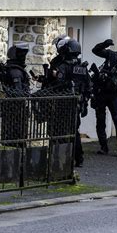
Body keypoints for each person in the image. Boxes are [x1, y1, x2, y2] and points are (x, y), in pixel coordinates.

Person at [46, 38, 91, 167]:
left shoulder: (63, 66)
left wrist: (54, 75)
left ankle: (61, 160)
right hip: (76, 104)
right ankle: (79, 158)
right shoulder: (82, 67)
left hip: (63, 104)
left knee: (58, 131)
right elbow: (88, 86)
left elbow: (58, 84)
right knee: (74, 132)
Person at [0, 43, 30, 147]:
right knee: (16, 137)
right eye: (22, 55)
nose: (24, 57)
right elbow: (18, 92)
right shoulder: (16, 71)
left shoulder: (13, 69)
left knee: (15, 136)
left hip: (13, 107)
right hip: (15, 108)